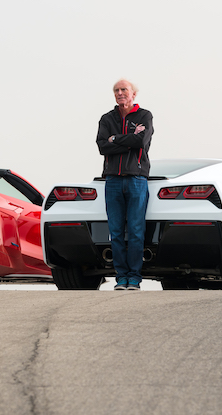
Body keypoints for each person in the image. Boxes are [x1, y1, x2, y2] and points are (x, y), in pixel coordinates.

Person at [96, 79, 154, 291]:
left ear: (133, 94)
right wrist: (126, 138)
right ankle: (121, 277)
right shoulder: (107, 118)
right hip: (112, 180)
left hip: (137, 180)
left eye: (124, 90)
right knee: (116, 231)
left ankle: (134, 278)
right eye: (116, 90)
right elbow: (102, 147)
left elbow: (140, 142)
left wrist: (115, 139)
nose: (120, 93)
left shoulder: (144, 116)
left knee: (137, 231)